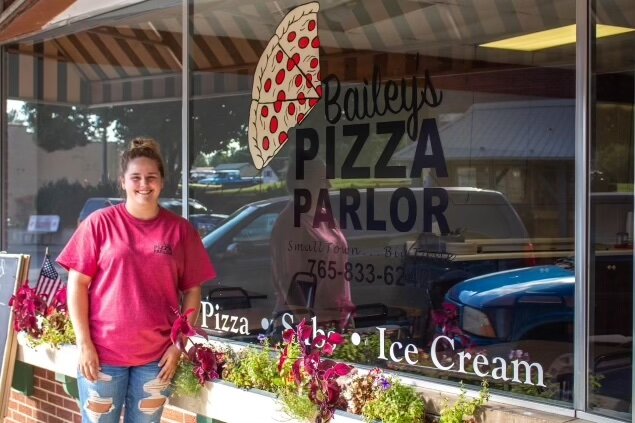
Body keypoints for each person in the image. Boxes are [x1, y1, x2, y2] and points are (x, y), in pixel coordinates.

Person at [57, 138, 216, 423]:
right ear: (123, 181)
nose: (144, 184)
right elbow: (77, 285)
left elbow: (193, 291)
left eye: (151, 177)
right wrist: (84, 344)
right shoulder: (99, 224)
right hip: (102, 356)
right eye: (136, 177)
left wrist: (178, 345)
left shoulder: (180, 231)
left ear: (162, 182)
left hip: (155, 361)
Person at [270, 157, 354, 330]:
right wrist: (308, 325)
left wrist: (347, 314)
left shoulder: (325, 216)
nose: (329, 185)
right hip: (306, 326)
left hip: (335, 321)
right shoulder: (291, 221)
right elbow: (287, 280)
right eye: (323, 180)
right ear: (303, 182)